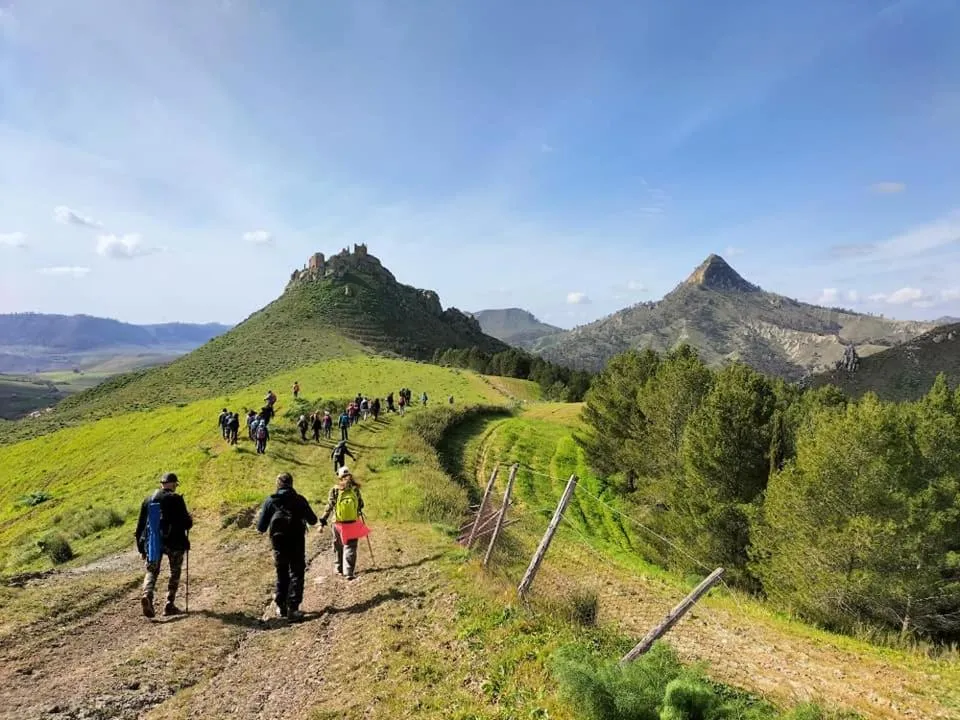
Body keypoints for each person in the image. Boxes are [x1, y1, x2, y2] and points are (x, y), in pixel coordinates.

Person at [256, 472, 318, 620]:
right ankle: (293, 608)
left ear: (278, 484)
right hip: (297, 542)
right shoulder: (299, 500)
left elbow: (261, 527)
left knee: (281, 573)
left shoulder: (271, 501)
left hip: (279, 543)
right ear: (292, 483)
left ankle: (281, 606)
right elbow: (313, 520)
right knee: (297, 573)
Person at [135, 472, 193, 618]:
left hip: (154, 542)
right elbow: (186, 523)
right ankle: (169, 604)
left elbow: (140, 526)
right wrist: (190, 519)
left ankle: (147, 595)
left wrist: (141, 547)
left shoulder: (148, 500)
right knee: (175, 572)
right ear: (173, 484)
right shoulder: (176, 499)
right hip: (175, 542)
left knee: (152, 571)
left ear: (161, 484)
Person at [319, 466, 365, 580]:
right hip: (352, 522)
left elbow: (329, 506)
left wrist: (323, 520)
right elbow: (361, 504)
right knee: (350, 547)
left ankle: (338, 568)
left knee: (338, 545)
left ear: (339, 477)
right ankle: (348, 572)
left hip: (337, 522)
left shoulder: (335, 489)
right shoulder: (355, 489)